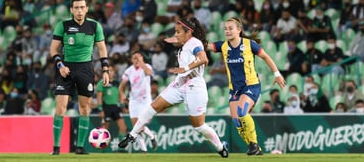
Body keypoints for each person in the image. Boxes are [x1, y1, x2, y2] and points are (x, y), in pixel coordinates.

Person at [118, 17, 229, 158]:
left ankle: (220, 147)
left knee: (199, 126)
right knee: (153, 107)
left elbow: (204, 59)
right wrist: (167, 39)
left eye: (178, 32)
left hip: (195, 86)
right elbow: (176, 39)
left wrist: (185, 68)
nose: (175, 34)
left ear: (188, 32)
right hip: (180, 84)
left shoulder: (195, 43)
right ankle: (132, 135)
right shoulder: (186, 43)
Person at [207, 17, 286, 155]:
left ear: (239, 30)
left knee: (242, 112)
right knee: (237, 122)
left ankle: (254, 145)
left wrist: (277, 74)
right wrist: (189, 38)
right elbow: (205, 45)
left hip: (252, 85)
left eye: (230, 28)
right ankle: (256, 149)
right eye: (225, 28)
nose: (227, 31)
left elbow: (266, 57)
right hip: (234, 90)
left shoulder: (250, 44)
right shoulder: (223, 46)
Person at [49, 0, 110, 155]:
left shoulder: (94, 26)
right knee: (60, 108)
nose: (79, 11)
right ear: (71, 10)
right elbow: (53, 49)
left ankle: (80, 147)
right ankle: (56, 148)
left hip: (85, 69)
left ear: (87, 9)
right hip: (65, 68)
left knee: (85, 108)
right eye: (76, 8)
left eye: (82, 7)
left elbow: (102, 49)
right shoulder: (63, 25)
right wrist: (60, 64)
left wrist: (105, 70)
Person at [118, 51, 157, 153]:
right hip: (134, 100)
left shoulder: (146, 67)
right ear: (131, 60)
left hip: (145, 100)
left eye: (138, 58)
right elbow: (121, 85)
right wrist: (122, 94)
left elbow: (149, 73)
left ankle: (151, 137)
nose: (136, 60)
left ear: (142, 59)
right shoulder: (129, 71)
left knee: (140, 124)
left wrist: (142, 63)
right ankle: (144, 148)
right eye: (134, 58)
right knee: (136, 125)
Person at [96, 59, 128, 142]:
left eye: (111, 71)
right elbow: (99, 97)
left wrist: (123, 106)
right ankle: (102, 149)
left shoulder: (117, 83)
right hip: (106, 108)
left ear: (114, 72)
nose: (110, 72)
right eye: (108, 71)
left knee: (123, 127)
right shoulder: (102, 82)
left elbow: (121, 96)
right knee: (104, 129)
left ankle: (121, 149)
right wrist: (100, 110)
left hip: (116, 108)